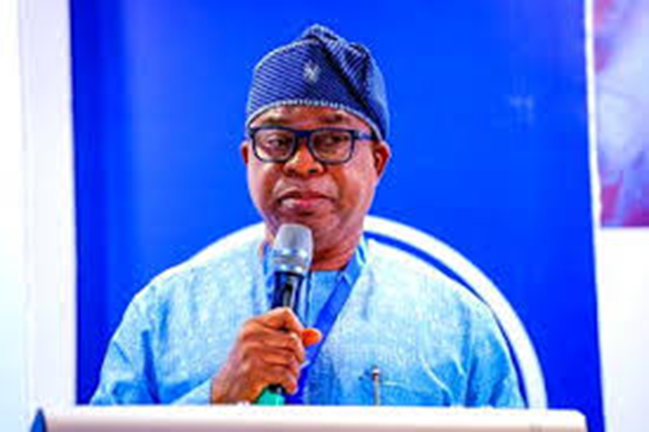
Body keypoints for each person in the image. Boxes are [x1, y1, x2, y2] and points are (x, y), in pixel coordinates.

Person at [91, 24, 524, 407]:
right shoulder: (164, 313)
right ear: (248, 158)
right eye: (278, 140)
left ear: (377, 162)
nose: (302, 163)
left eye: (332, 139)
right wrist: (216, 397)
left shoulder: (457, 322)